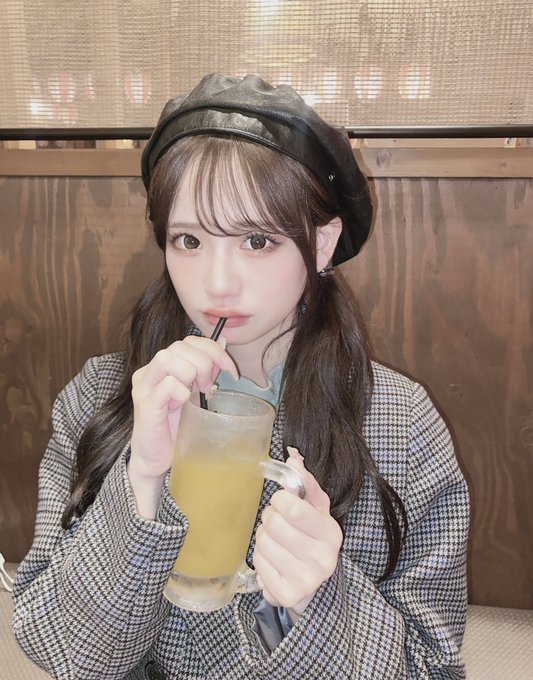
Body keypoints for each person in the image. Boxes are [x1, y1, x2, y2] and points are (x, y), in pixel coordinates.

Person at [12, 74, 469, 679]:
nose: (217, 283)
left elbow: (435, 667)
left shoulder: (402, 421)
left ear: (322, 244)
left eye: (256, 240)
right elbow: (62, 651)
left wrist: (320, 602)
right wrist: (141, 480)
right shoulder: (104, 396)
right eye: (189, 239)